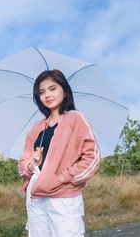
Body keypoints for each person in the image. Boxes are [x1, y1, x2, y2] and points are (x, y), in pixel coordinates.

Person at [18, 69, 100, 237]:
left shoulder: (75, 119)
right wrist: (32, 164)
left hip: (63, 199)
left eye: (52, 88)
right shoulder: (37, 128)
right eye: (42, 92)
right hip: (36, 198)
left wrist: (63, 177)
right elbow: (22, 163)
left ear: (64, 90)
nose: (47, 94)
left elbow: (92, 158)